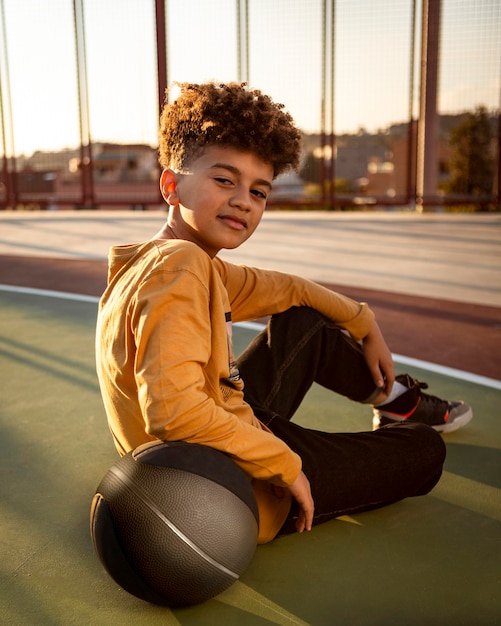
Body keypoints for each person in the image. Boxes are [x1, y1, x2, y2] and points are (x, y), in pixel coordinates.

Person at [95, 82, 472, 544]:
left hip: (222, 436)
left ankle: (393, 401)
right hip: (231, 489)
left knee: (301, 318)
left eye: (259, 191)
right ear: (172, 185)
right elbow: (173, 412)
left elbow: (287, 290)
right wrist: (284, 465)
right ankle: (397, 416)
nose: (243, 202)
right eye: (224, 180)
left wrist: (363, 320)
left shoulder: (160, 261)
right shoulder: (183, 267)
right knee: (423, 450)